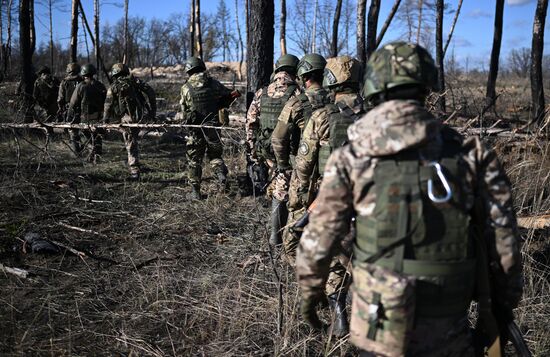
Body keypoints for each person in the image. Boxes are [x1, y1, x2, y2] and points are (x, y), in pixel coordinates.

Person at [296, 42, 523, 356]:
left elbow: (319, 240)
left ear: (374, 88)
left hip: (378, 327)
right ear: (426, 88)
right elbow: (505, 246)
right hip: (449, 327)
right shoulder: (472, 155)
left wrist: (310, 298)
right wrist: (501, 310)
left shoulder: (351, 158)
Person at [285, 55, 364, 337]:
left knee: (332, 260)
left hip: (328, 201)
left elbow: (303, 168)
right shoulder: (379, 117)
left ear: (331, 81)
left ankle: (340, 315)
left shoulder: (322, 117)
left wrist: (297, 204)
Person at [270, 53, 330, 246]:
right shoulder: (337, 100)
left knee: (288, 201)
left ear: (304, 76)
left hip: (302, 166)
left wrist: (283, 166)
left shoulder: (297, 103)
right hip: (332, 168)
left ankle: (278, 240)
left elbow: (278, 138)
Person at [246, 53, 301, 244]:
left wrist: (253, 152)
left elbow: (250, 123)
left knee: (276, 188)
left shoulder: (262, 93)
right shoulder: (297, 93)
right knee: (283, 193)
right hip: (288, 154)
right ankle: (276, 239)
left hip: (265, 151)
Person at [179, 56, 240, 199]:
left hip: (195, 129)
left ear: (189, 70)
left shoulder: (186, 88)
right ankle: (221, 177)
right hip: (213, 127)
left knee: (194, 160)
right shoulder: (213, 84)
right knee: (215, 156)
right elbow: (229, 94)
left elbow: (184, 111)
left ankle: (195, 192)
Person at [103, 62, 156, 180]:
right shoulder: (135, 81)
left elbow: (107, 105)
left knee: (130, 142)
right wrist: (153, 112)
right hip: (140, 115)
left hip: (127, 118)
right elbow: (151, 92)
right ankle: (135, 163)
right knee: (133, 140)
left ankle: (134, 169)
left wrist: (105, 120)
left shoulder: (114, 87)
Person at [68, 64, 106, 162]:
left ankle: (90, 157)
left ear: (83, 74)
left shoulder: (81, 86)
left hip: (85, 117)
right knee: (97, 137)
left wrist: (69, 116)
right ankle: (97, 156)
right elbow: (106, 101)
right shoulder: (100, 85)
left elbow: (73, 102)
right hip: (98, 116)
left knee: (87, 137)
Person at [58, 62, 83, 154]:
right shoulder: (82, 80)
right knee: (85, 129)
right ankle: (86, 148)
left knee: (72, 129)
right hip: (82, 108)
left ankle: (76, 151)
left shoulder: (64, 82)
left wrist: (61, 108)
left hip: (69, 108)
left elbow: (60, 98)